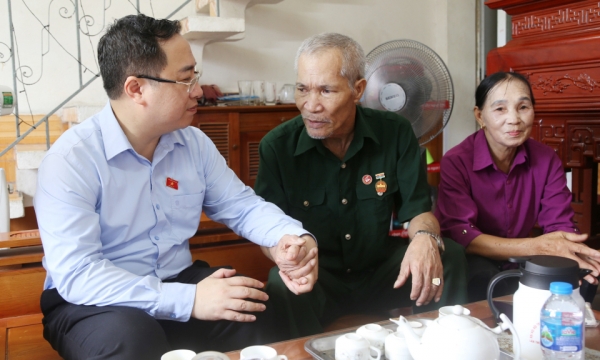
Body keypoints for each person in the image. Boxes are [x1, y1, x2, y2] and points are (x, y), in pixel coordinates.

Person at [33, 14, 317, 359]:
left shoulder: (193, 143)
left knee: (255, 308)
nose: (198, 91)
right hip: (92, 301)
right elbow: (79, 275)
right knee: (132, 338)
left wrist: (289, 238)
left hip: (176, 278)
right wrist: (189, 299)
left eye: (195, 76)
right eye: (185, 80)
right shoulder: (71, 160)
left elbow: (240, 205)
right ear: (136, 89)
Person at [254, 32, 468, 338]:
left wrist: (424, 238)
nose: (310, 105)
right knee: (280, 281)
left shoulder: (395, 132)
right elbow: (264, 229)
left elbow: (419, 210)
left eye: (326, 91)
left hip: (383, 274)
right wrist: (284, 254)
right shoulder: (278, 147)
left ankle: (441, 344)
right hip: (319, 278)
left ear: (358, 89)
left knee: (449, 255)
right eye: (302, 89)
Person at [435, 71, 600, 303]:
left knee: (582, 279)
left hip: (524, 258)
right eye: (500, 109)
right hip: (471, 260)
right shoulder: (457, 161)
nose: (514, 119)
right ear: (480, 116)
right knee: (482, 277)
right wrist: (537, 246)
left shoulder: (546, 159)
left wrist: (573, 257)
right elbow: (462, 234)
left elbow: (559, 224)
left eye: (523, 107)